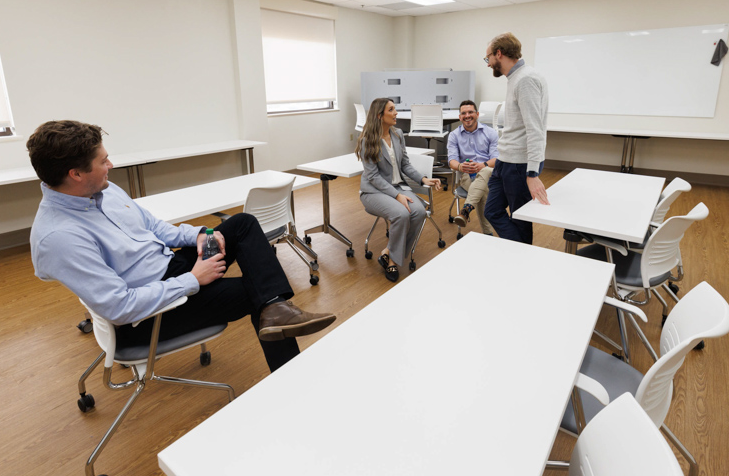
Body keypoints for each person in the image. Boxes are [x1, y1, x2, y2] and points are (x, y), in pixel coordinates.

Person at [27, 120, 335, 373]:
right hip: (150, 315)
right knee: (257, 293)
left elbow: (152, 226)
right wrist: (193, 279)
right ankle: (292, 374)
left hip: (172, 271)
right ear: (76, 174)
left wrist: (198, 235)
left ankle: (276, 310)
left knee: (241, 225)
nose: (111, 164)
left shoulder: (102, 190)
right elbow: (120, 306)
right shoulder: (58, 237)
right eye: (102, 161)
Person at [355, 98, 441, 282]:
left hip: (397, 186)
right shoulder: (367, 140)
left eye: (395, 109)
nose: (396, 113)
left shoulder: (398, 134)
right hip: (373, 191)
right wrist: (397, 195)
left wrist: (423, 178)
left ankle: (388, 252)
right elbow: (373, 177)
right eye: (391, 110)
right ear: (379, 115)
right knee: (401, 214)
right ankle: (393, 261)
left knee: (418, 211)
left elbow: (405, 165)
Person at [483, 33, 550, 245]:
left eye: (488, 59)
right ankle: (517, 251)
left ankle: (520, 258)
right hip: (506, 160)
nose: (488, 64)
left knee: (520, 219)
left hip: (519, 165)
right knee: (492, 211)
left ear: (499, 54)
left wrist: (532, 173)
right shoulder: (516, 78)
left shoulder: (526, 79)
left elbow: (535, 129)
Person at [447, 100, 499, 234]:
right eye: (463, 113)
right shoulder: (454, 135)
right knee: (482, 191)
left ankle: (465, 211)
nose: (467, 115)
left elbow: (497, 159)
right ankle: (488, 234)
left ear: (477, 114)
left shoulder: (490, 133)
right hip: (467, 176)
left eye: (470, 112)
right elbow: (451, 160)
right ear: (460, 117)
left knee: (486, 171)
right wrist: (460, 166)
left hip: (490, 173)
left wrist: (483, 165)